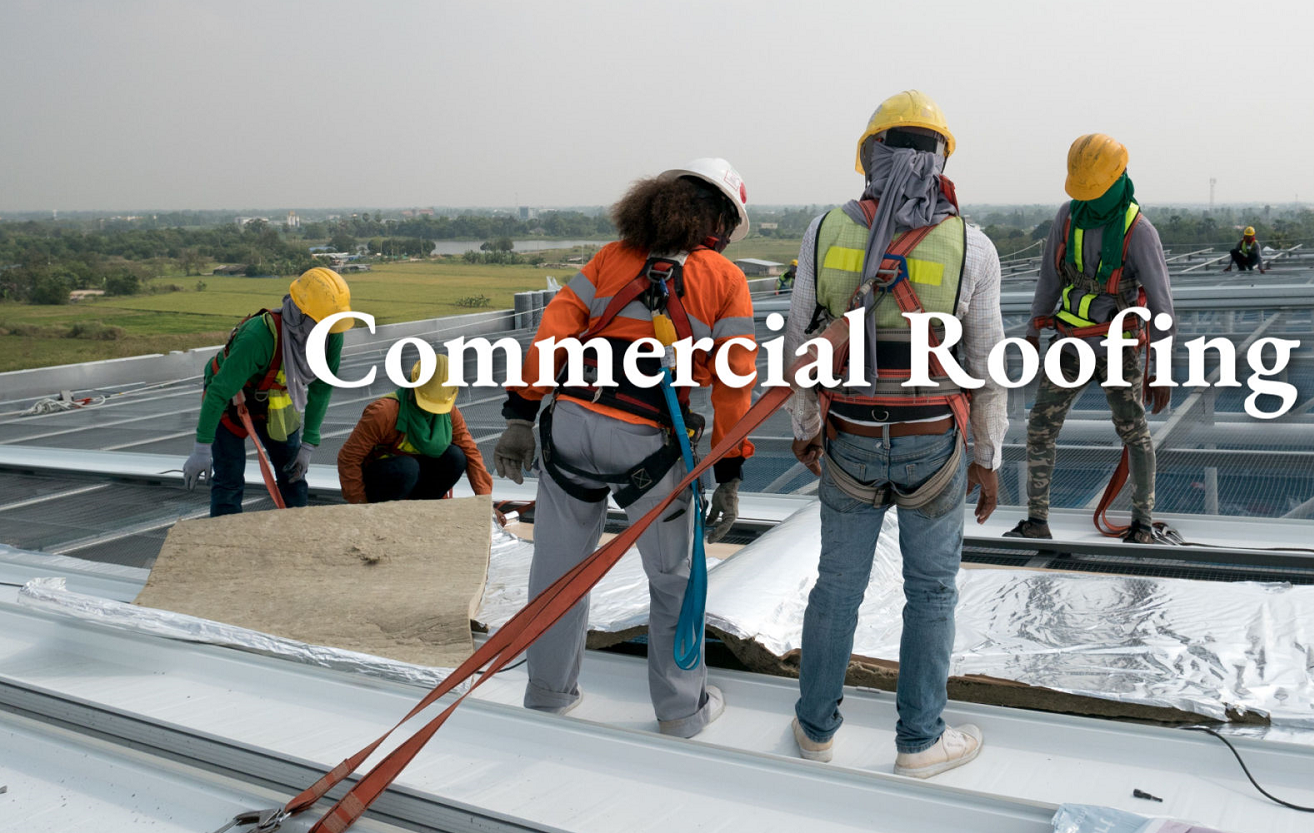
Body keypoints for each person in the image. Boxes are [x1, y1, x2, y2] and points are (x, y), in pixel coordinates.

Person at [494, 158, 756, 738]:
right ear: (718, 220)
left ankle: (548, 694)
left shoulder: (611, 259)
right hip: (646, 442)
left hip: (570, 423)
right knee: (673, 580)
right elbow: (734, 385)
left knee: (559, 572)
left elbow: (552, 334)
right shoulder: (723, 278)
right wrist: (730, 471)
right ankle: (681, 711)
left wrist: (518, 414)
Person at [784, 90, 1002, 778]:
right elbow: (988, 366)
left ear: (871, 156)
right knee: (931, 591)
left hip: (848, 434)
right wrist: (988, 458)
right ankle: (919, 741)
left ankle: (816, 728)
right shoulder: (972, 244)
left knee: (836, 587)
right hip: (931, 440)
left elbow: (801, 344)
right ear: (939, 160)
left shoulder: (824, 232)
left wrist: (807, 427)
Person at [1007, 133, 1176, 544]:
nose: (1089, 197)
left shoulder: (1139, 231)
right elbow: (1050, 278)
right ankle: (1037, 521)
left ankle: (1141, 523)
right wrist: (1033, 331)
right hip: (1069, 343)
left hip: (1118, 347)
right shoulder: (1068, 216)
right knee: (1041, 427)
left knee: (1133, 430)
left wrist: (1163, 370)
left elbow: (1162, 306)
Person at [181, 266, 351, 516]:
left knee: (292, 475)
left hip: (275, 401)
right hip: (230, 399)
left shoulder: (331, 336)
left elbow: (322, 388)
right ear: (302, 313)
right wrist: (202, 448)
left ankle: (296, 536)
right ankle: (225, 548)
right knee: (229, 480)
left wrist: (309, 445)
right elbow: (218, 392)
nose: (328, 329)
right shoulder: (259, 337)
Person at [336, 354, 493, 505]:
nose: (432, 411)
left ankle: (421, 510)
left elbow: (470, 452)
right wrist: (360, 503)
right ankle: (387, 514)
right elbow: (349, 457)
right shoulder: (384, 412)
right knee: (407, 467)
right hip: (384, 481)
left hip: (415, 480)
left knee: (455, 456)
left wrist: (485, 501)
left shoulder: (449, 413)